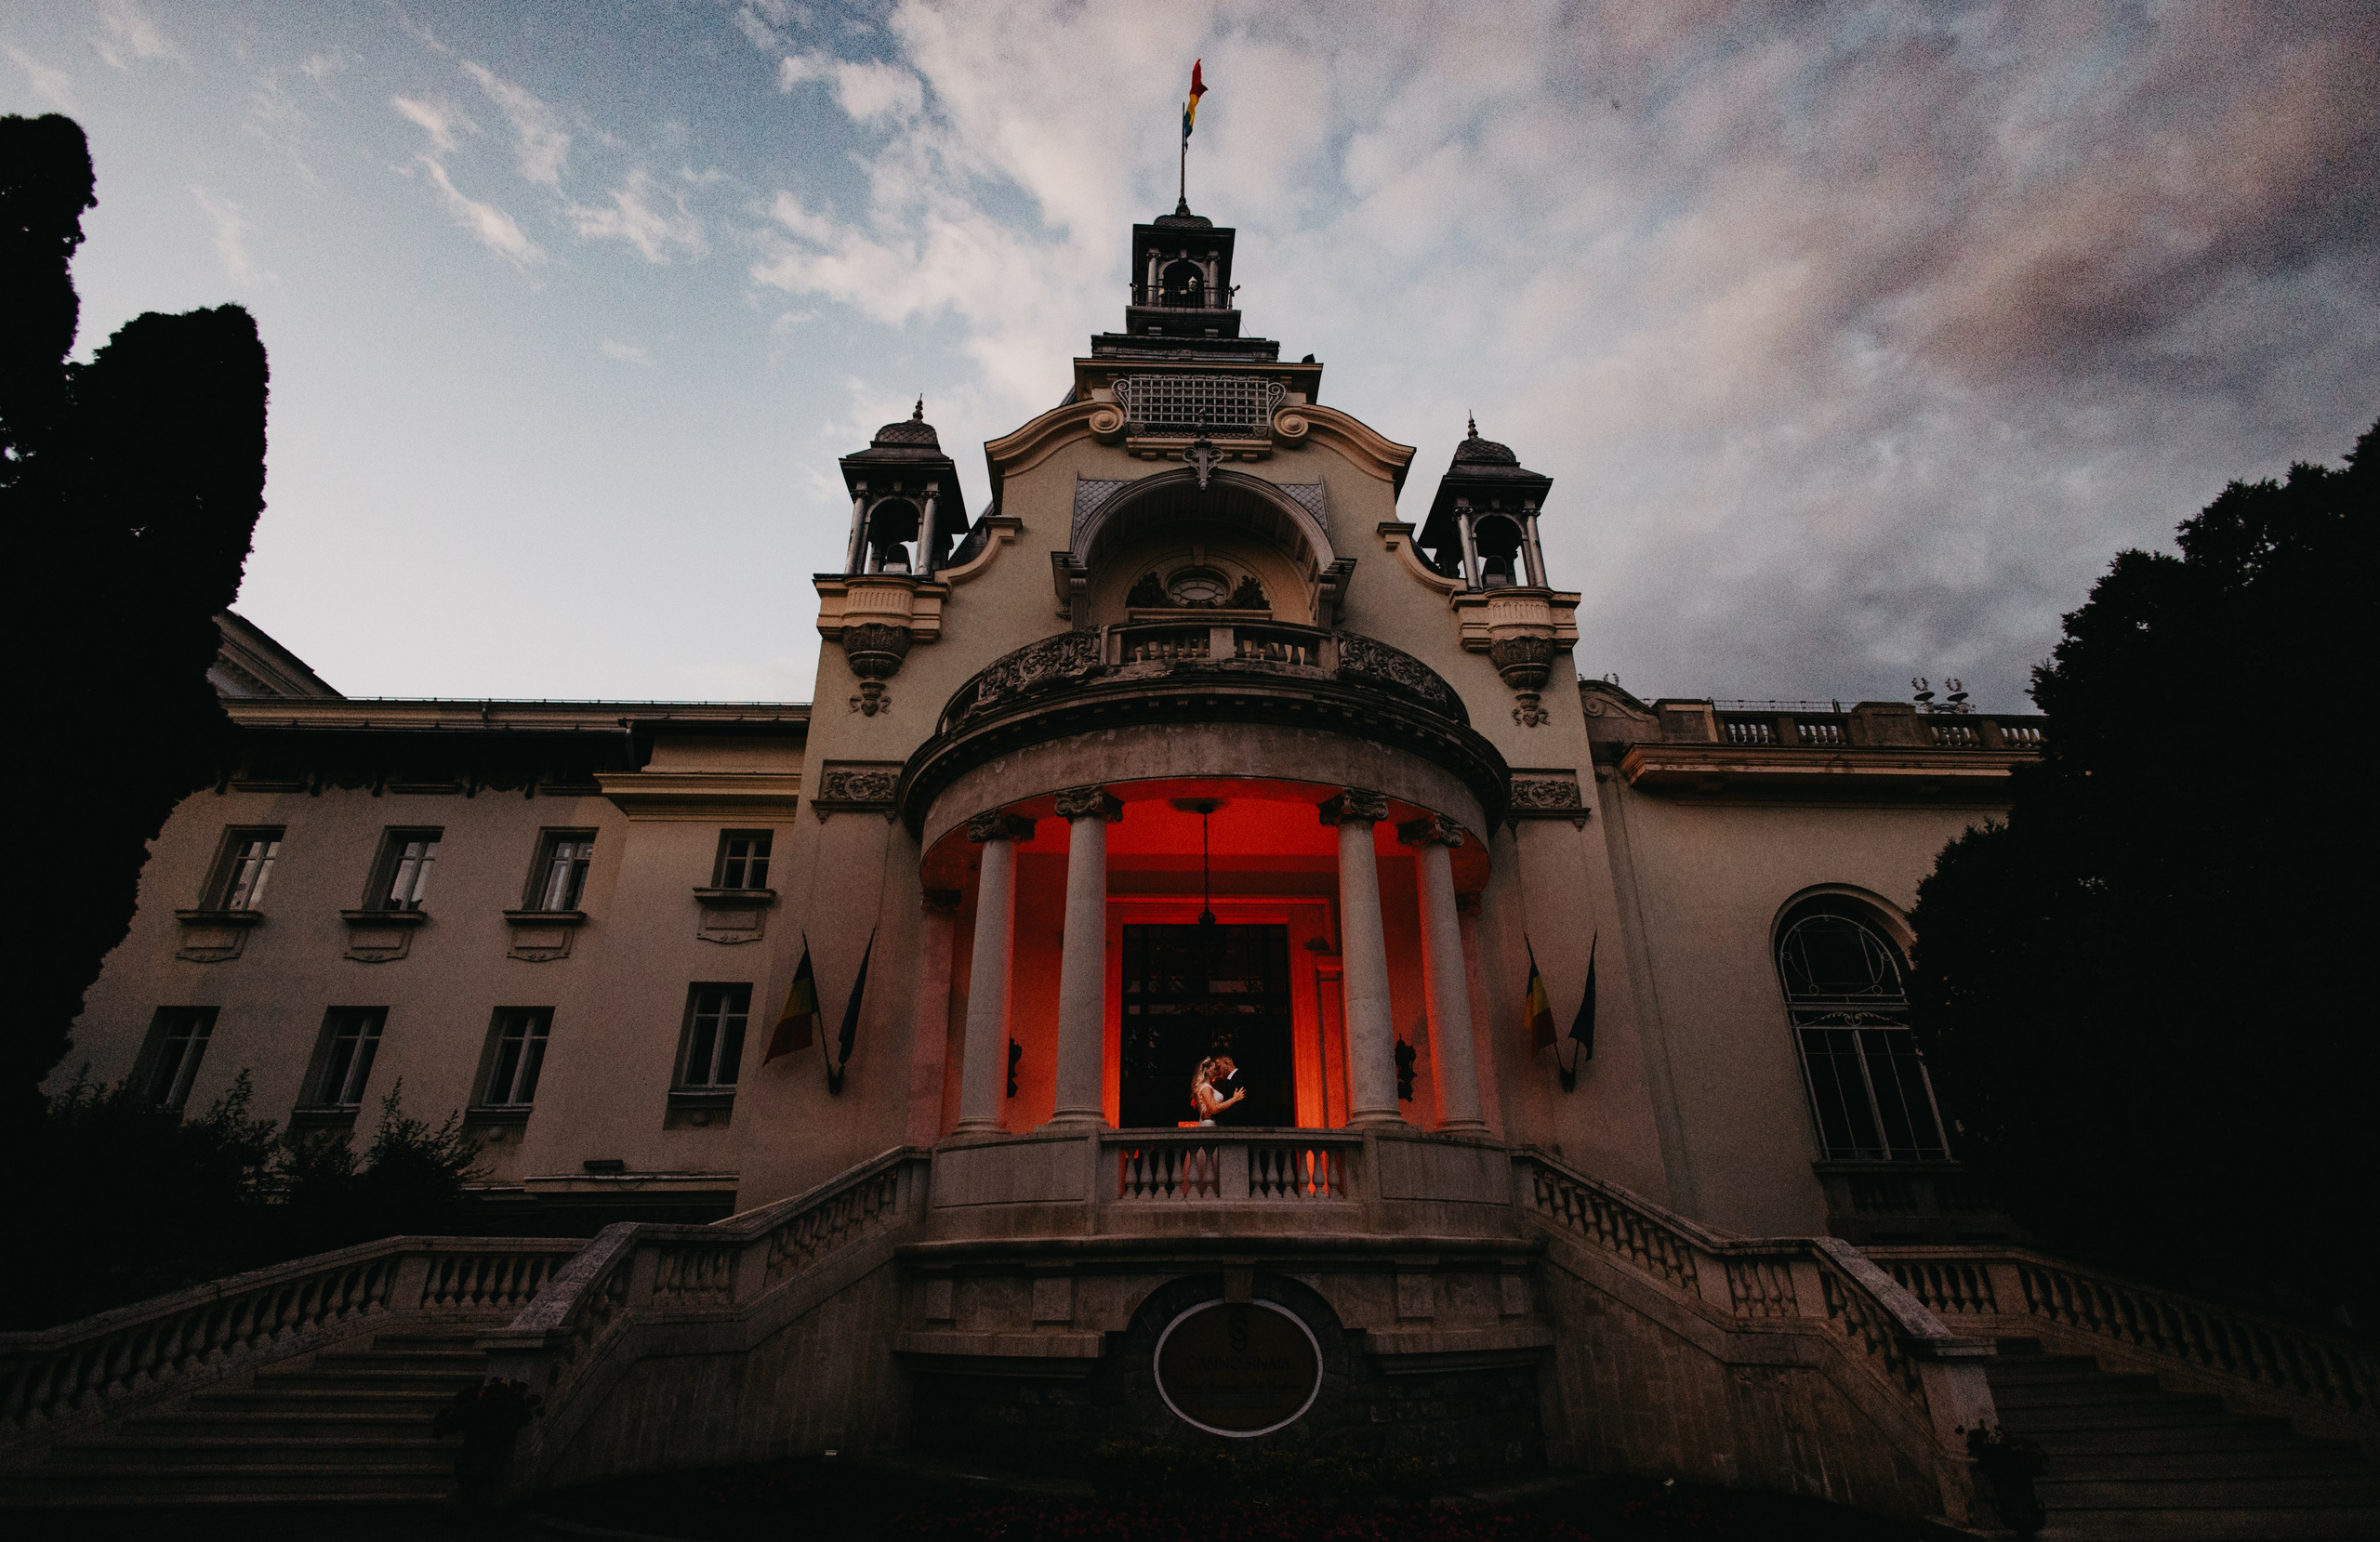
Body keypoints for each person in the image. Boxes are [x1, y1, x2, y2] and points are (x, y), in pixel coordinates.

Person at [1189, 1056, 1245, 1126]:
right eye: (1215, 1069)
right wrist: (1234, 1099)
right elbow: (1213, 1109)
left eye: (1217, 1068)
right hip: (1208, 1123)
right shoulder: (1205, 1087)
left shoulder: (1209, 1086)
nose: (1217, 1072)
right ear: (1207, 1070)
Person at [1208, 1054, 1247, 1127]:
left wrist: (1223, 1121)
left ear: (1227, 1063)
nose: (1217, 1071)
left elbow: (1240, 1106)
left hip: (1235, 1124)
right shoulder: (1227, 1081)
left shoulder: (1238, 1079)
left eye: (1218, 1067)